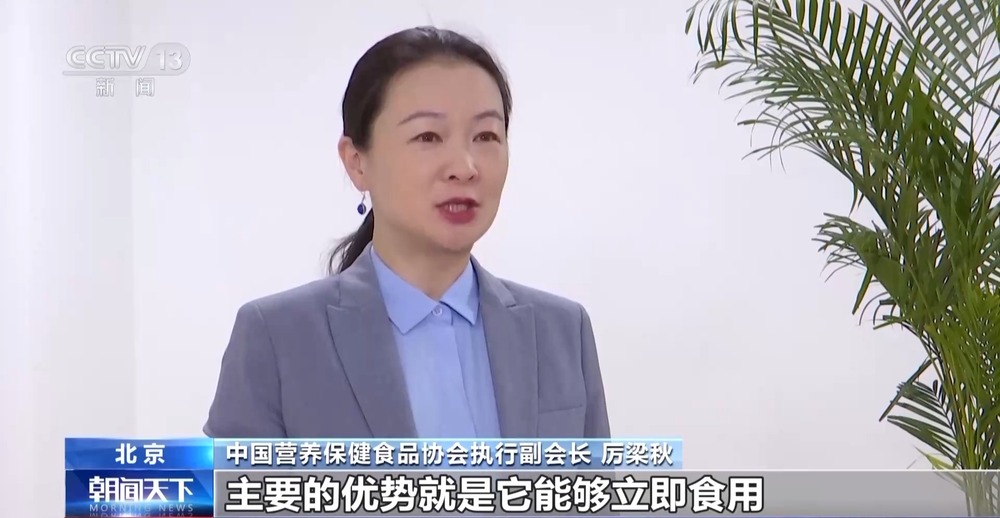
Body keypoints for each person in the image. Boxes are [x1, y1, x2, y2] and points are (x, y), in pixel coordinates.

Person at [204, 26, 610, 439]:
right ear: (357, 162)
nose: (464, 167)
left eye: (486, 136)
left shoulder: (563, 332)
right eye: (428, 136)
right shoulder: (276, 340)